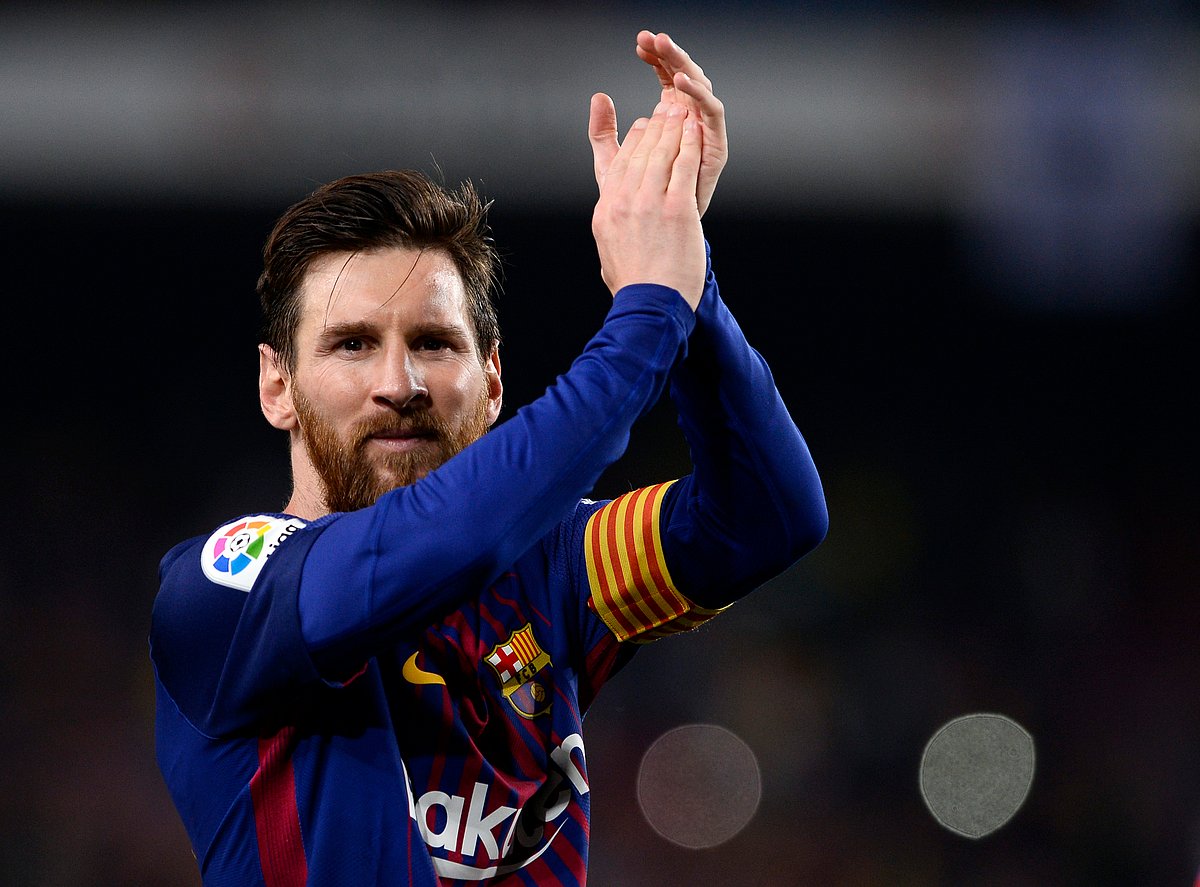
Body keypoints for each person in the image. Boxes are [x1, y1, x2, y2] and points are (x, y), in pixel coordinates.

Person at [150, 29, 827, 886]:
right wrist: (650, 311)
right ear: (277, 385)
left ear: (494, 377)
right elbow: (449, 539)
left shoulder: (551, 570)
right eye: (353, 344)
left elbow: (768, 518)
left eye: (433, 343)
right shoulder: (225, 594)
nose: (398, 384)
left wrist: (686, 275)